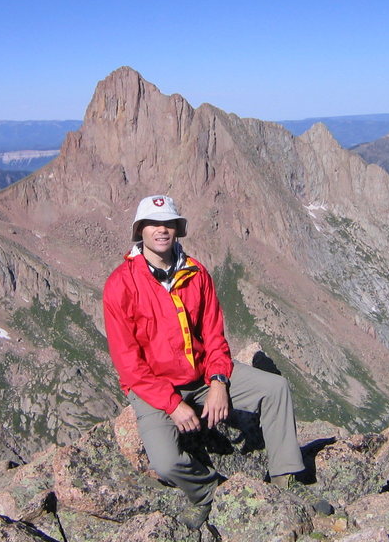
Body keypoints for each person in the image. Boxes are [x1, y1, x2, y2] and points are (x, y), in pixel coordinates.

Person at [103, 194, 331, 530]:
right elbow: (128, 365)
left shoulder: (196, 274)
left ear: (177, 230)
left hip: (203, 376)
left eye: (169, 224)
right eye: (154, 224)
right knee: (166, 463)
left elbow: (214, 338)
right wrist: (172, 405)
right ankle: (212, 491)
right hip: (155, 388)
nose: (162, 231)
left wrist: (219, 383)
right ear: (141, 231)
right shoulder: (121, 284)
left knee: (275, 388)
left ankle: (287, 478)